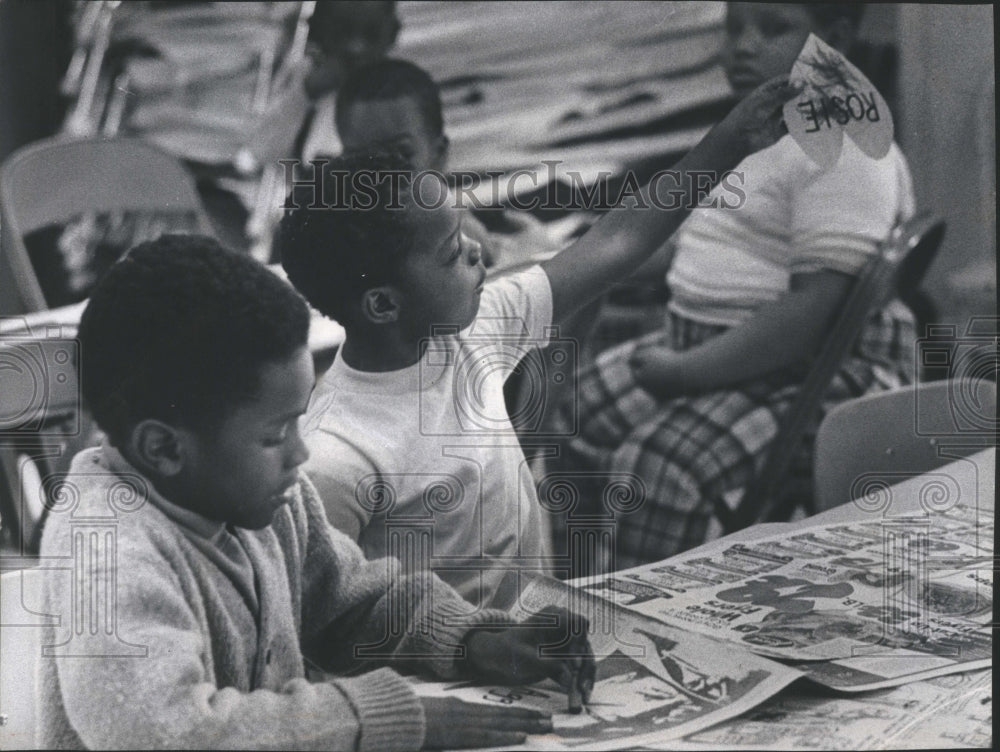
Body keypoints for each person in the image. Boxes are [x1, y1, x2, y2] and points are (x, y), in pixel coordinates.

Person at [37, 235, 595, 750]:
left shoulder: (261, 493)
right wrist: (376, 718)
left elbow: (351, 602)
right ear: (163, 448)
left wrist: (475, 640)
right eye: (274, 435)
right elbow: (170, 734)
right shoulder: (104, 555)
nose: (300, 454)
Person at [278, 78, 793, 609]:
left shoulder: (474, 331)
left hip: (531, 640)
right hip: (438, 679)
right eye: (452, 253)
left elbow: (619, 242)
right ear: (384, 305)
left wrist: (731, 140)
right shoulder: (335, 456)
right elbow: (325, 619)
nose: (479, 253)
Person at [554, 3, 918, 569]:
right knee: (567, 408)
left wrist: (687, 372)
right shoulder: (753, 133)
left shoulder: (845, 148)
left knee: (659, 464)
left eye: (773, 29)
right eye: (733, 28)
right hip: (719, 346)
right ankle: (588, 579)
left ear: (837, 39)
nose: (742, 46)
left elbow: (812, 312)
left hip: (814, 366)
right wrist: (598, 256)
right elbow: (699, 236)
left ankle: (641, 609)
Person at [333, 57, 560, 272]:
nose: (379, 173)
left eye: (400, 155)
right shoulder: (330, 243)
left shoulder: (466, 241)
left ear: (439, 155)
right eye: (361, 158)